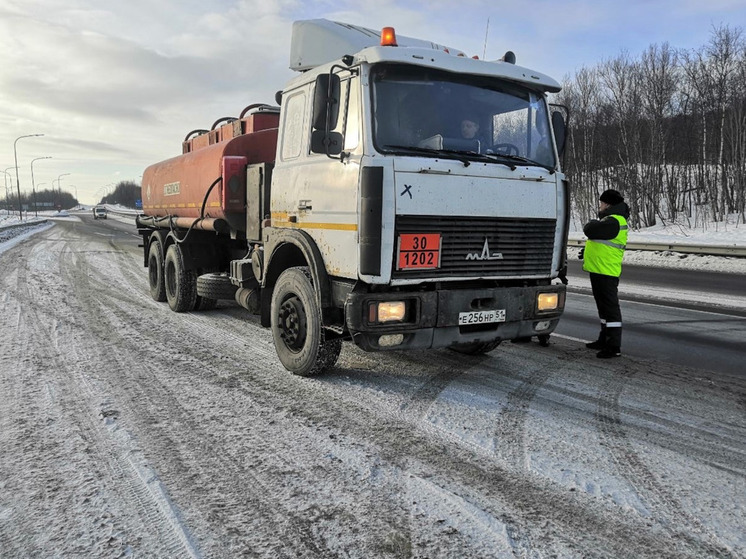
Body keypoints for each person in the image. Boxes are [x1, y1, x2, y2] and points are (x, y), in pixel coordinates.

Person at [580, 189, 630, 358]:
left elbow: (590, 229)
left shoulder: (614, 221)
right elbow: (601, 242)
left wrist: (592, 222)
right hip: (599, 270)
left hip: (606, 272)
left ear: (608, 204)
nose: (599, 206)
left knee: (610, 309)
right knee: (603, 309)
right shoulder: (610, 221)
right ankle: (604, 339)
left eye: (601, 203)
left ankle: (614, 346)